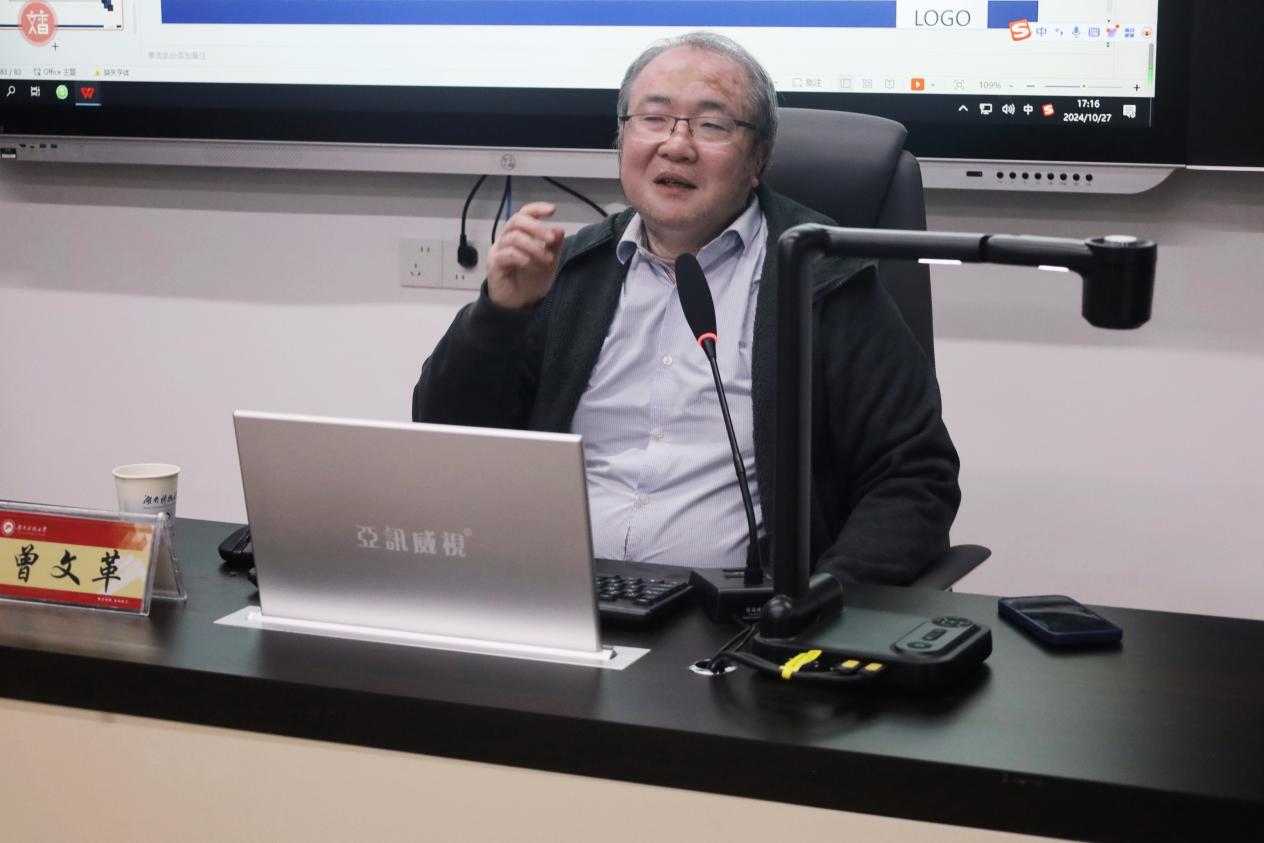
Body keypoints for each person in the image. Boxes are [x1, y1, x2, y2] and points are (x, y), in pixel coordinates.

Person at [413, 32, 960, 586]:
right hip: (559, 595)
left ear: (758, 158)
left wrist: (823, 600)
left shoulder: (821, 274)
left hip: (736, 618)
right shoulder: (570, 272)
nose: (676, 146)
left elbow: (914, 475)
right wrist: (500, 315)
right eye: (653, 119)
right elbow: (447, 440)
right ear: (621, 140)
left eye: (711, 125)